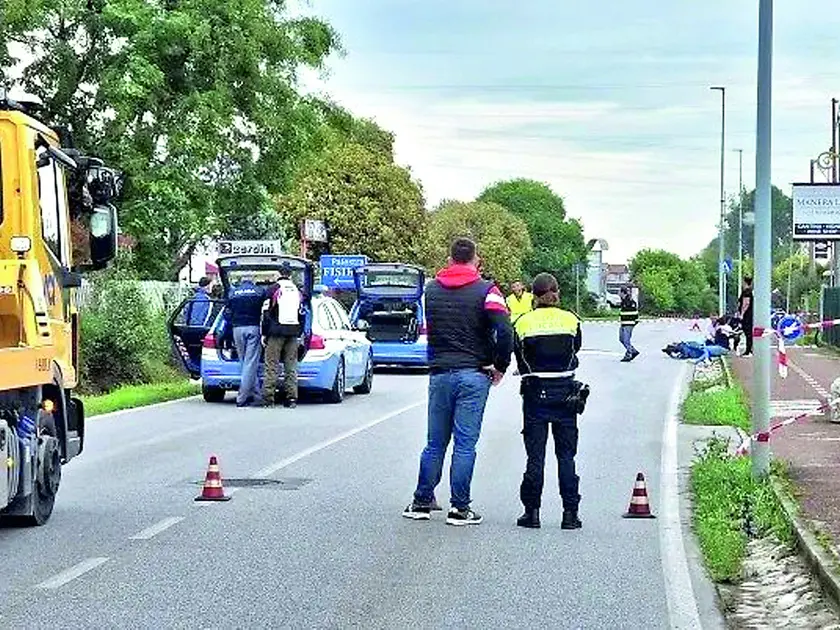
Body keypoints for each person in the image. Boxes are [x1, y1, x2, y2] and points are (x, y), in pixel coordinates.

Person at [402, 237, 513, 526]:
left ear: (451, 259)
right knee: (465, 444)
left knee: (435, 443)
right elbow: (505, 330)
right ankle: (459, 508)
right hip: (474, 374)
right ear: (475, 259)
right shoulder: (488, 291)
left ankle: (421, 502)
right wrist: (500, 365)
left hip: (439, 373)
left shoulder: (431, 289)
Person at [513, 273, 588, 530]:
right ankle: (570, 514)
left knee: (535, 456)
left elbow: (520, 357)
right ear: (557, 293)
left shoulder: (523, 323)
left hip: (535, 393)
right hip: (566, 393)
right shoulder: (571, 320)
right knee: (566, 456)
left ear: (534, 296)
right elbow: (575, 349)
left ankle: (531, 513)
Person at [226, 273, 274, 408]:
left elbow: (227, 313)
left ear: (241, 281)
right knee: (250, 363)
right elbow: (266, 311)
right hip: (253, 328)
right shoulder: (259, 292)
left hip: (237, 330)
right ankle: (242, 398)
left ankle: (257, 395)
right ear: (252, 281)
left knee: (245, 363)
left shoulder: (233, 293)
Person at [260, 264, 302, 409]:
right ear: (290, 275)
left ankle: (268, 399)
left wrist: (264, 333)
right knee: (291, 366)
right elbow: (302, 312)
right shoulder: (297, 290)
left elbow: (265, 313)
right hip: (293, 332)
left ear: (278, 274)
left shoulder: (273, 289)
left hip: (276, 332)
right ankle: (291, 399)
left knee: (272, 365)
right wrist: (299, 331)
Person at [619, 286, 640, 362]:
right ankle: (633, 351)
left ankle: (629, 354)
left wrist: (633, 323)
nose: (618, 293)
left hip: (629, 324)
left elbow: (635, 314)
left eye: (619, 292)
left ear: (622, 292)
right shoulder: (623, 301)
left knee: (626, 340)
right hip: (623, 324)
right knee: (621, 339)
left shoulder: (630, 302)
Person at [738, 276, 754, 356]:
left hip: (747, 315)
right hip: (749, 314)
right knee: (748, 333)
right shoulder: (749, 291)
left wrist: (742, 314)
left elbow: (746, 303)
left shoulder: (746, 292)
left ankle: (748, 350)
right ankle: (749, 349)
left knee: (748, 332)